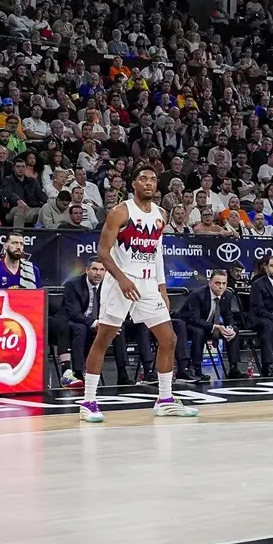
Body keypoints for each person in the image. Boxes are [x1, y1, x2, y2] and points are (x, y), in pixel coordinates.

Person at [77, 166, 198, 423]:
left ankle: (165, 399)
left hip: (147, 284)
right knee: (103, 340)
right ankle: (88, 402)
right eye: (143, 179)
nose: (149, 183)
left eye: (153, 180)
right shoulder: (120, 212)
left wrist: (162, 288)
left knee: (169, 339)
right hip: (120, 282)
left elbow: (156, 255)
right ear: (133, 184)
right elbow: (103, 252)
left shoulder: (161, 214)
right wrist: (121, 279)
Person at [57, 259, 106, 390]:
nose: (98, 273)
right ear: (87, 270)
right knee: (80, 328)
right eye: (95, 269)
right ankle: (78, 373)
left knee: (118, 330)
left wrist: (108, 325)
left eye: (102, 270)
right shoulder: (73, 285)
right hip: (71, 323)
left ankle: (123, 375)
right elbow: (74, 314)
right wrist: (96, 323)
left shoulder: (108, 286)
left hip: (94, 324)